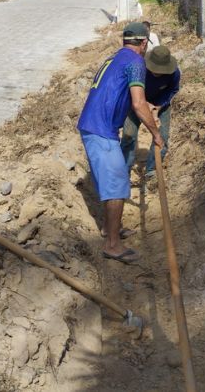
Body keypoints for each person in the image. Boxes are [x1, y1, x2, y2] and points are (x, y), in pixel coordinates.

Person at [77, 22, 164, 264]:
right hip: (100, 129)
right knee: (116, 184)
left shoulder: (116, 58)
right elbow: (137, 103)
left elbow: (128, 100)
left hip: (92, 124)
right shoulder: (136, 62)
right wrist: (156, 133)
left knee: (112, 182)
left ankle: (109, 229)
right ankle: (112, 245)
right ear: (144, 43)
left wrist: (149, 110)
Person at [120, 45, 180, 180]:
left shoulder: (174, 73)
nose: (157, 72)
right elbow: (130, 91)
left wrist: (158, 107)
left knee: (161, 138)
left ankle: (151, 170)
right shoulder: (138, 68)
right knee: (128, 135)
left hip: (161, 104)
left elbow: (172, 91)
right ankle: (124, 171)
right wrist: (145, 105)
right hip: (137, 103)